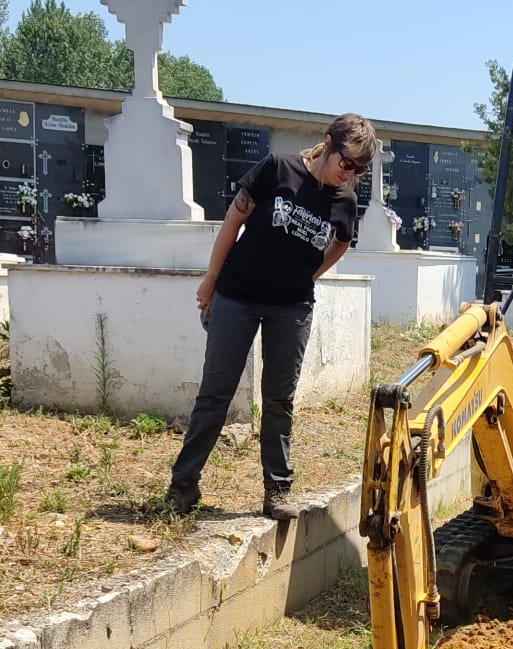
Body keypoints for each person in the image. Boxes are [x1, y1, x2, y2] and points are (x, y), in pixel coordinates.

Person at [161, 113, 376, 519]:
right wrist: (210, 280)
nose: (348, 175)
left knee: (279, 400)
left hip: (291, 308)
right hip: (236, 297)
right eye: (346, 163)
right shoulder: (277, 169)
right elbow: (234, 220)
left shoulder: (343, 200)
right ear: (327, 143)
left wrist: (308, 275)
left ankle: (277, 491)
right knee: (215, 395)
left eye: (358, 170)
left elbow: (342, 243)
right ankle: (183, 486)